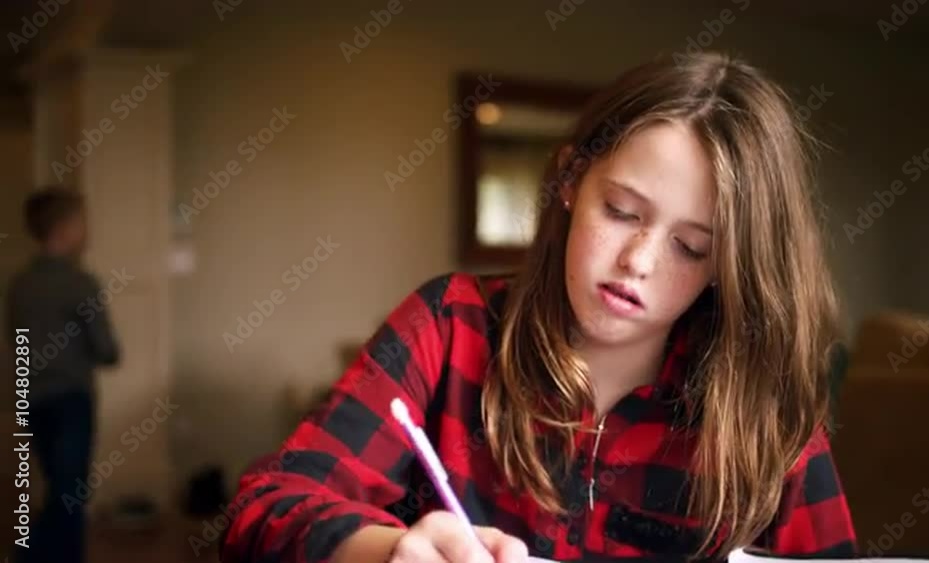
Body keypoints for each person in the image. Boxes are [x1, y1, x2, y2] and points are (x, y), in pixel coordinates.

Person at [220, 53, 856, 563]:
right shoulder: (449, 325)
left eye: (690, 248)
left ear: (729, 267)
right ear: (570, 182)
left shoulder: (764, 412)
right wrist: (392, 550)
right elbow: (262, 511)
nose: (638, 260)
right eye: (622, 212)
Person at [5, 185, 121, 563]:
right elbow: (107, 350)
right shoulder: (80, 283)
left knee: (58, 489)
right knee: (70, 496)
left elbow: (15, 342)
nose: (87, 231)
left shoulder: (20, 285)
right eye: (82, 222)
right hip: (71, 400)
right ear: (66, 228)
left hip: (32, 399)